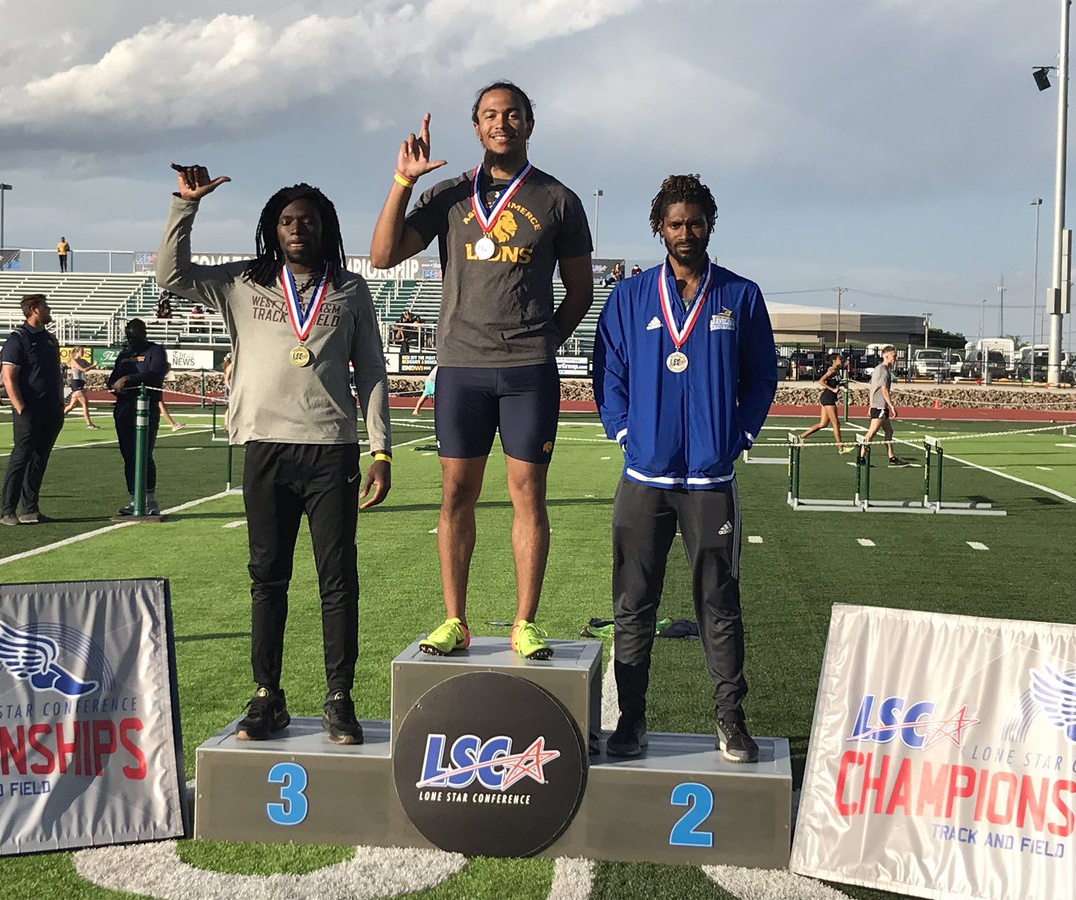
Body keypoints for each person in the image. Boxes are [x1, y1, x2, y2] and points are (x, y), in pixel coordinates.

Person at [159, 164, 392, 746]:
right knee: (268, 579)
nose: (296, 229)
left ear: (324, 228)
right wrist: (185, 206)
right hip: (264, 447)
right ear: (272, 227)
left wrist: (381, 448)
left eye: (307, 221)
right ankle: (268, 695)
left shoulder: (349, 288)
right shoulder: (243, 281)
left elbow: (373, 371)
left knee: (337, 580)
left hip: (330, 450)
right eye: (286, 220)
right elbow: (170, 275)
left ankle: (339, 697)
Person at [369, 80, 594, 660]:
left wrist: (541, 342)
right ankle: (456, 620)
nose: (502, 123)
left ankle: (524, 622)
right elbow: (382, 255)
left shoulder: (558, 200)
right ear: (476, 127)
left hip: (527, 372)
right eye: (491, 115)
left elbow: (579, 292)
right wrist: (403, 181)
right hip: (462, 369)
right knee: (455, 495)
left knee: (528, 495)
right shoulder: (448, 194)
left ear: (529, 124)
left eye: (513, 114)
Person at [593, 174, 778, 762]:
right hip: (644, 477)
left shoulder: (740, 296)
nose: (685, 233)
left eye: (695, 223)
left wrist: (738, 434)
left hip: (710, 480)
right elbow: (608, 373)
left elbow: (762, 376)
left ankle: (730, 719)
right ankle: (631, 719)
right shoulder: (629, 297)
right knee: (633, 602)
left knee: (719, 602)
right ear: (659, 229)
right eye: (675, 224)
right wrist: (625, 432)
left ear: (709, 226)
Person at [0, 294, 64, 525]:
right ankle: (8, 510)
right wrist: (21, 408)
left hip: (51, 409)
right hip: (29, 409)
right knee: (21, 457)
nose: (49, 309)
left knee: (39, 459)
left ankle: (30, 509)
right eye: (46, 306)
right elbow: (9, 378)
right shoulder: (18, 339)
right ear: (35, 309)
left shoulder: (49, 339)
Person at [107, 319, 169, 515]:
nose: (132, 339)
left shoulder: (155, 351)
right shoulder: (125, 354)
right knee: (128, 455)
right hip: (124, 407)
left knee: (144, 453)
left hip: (146, 407)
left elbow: (155, 374)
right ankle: (134, 499)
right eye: (129, 336)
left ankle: (150, 500)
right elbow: (112, 379)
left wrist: (129, 379)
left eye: (135, 335)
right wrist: (118, 384)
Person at [860, 345, 905, 466]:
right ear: (886, 356)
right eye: (893, 356)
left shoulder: (879, 369)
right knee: (872, 432)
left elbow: (873, 388)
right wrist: (892, 406)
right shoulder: (883, 370)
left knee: (889, 431)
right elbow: (884, 390)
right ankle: (861, 457)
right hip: (880, 406)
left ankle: (892, 458)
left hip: (878, 406)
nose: (895, 359)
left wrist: (870, 405)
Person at [798, 353, 850, 452]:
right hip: (828, 398)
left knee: (823, 424)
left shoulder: (837, 371)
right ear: (834, 360)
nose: (842, 360)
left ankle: (801, 436)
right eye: (840, 359)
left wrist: (842, 386)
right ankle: (841, 448)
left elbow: (835, 383)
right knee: (836, 424)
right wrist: (833, 389)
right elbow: (821, 381)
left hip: (828, 398)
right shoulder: (832, 370)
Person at [62, 345, 100, 428]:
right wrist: (93, 366)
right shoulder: (73, 361)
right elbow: (84, 370)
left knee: (72, 406)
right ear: (76, 352)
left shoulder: (83, 360)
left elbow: (90, 366)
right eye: (81, 351)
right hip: (76, 383)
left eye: (83, 351)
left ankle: (58, 418)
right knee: (85, 404)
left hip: (81, 383)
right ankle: (89, 424)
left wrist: (96, 366)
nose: (82, 353)